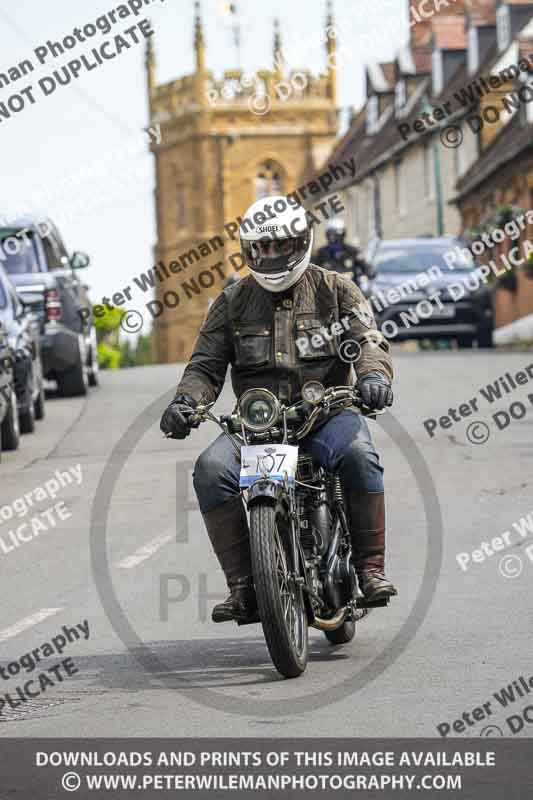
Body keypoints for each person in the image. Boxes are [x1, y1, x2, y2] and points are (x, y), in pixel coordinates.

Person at [160, 195, 397, 624]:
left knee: (360, 456)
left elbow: (368, 339)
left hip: (326, 415)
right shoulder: (231, 302)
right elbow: (206, 365)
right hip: (258, 427)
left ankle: (370, 569)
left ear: (301, 242)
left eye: (278, 246)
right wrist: (185, 403)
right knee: (210, 470)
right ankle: (244, 587)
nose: (269, 255)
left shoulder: (335, 289)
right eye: (261, 248)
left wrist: (374, 378)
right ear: (249, 250)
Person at [315, 218, 375, 289]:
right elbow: (313, 271)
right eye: (330, 235)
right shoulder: (321, 253)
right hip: (328, 292)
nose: (332, 238)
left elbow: (366, 267)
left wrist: (366, 274)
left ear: (342, 235)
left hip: (350, 290)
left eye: (335, 235)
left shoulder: (352, 251)